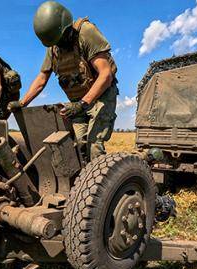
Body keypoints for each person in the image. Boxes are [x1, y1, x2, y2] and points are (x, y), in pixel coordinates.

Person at [11, 1, 118, 160]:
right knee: (78, 147)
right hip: (77, 102)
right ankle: (83, 181)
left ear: (67, 27)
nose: (59, 44)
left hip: (101, 95)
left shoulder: (85, 32)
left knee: (94, 144)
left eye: (60, 39)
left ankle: (101, 182)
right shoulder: (53, 47)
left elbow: (105, 74)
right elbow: (42, 78)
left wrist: (82, 104)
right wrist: (22, 103)